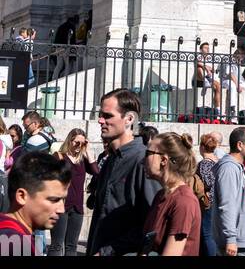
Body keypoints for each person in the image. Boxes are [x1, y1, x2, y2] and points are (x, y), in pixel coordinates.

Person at [86, 89, 157, 256]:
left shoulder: (143, 161)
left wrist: (108, 251)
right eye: (101, 115)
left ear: (129, 119)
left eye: (108, 116)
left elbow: (151, 224)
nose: (100, 120)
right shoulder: (111, 160)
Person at [142, 132, 201, 256]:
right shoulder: (161, 195)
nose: (143, 159)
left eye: (148, 153)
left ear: (164, 160)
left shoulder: (184, 201)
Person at [0, 152, 71, 255]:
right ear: (22, 196)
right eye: (53, 199)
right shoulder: (15, 243)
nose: (61, 209)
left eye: (63, 200)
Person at [47, 128, 98, 256]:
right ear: (69, 141)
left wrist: (88, 151)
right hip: (60, 206)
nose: (78, 146)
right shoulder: (59, 156)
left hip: (77, 208)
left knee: (72, 246)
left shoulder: (82, 159)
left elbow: (97, 172)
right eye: (76, 142)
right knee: (57, 245)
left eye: (82, 143)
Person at [212, 127, 245, 256]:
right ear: (240, 145)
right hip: (235, 243)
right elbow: (228, 205)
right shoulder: (229, 169)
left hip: (241, 241)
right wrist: (231, 239)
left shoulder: (237, 167)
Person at [196, 132, 222, 257]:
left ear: (202, 147)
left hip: (208, 201)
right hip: (218, 200)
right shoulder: (218, 161)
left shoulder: (204, 163)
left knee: (207, 233)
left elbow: (208, 182)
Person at [195, 42, 221, 116]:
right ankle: (205, 82)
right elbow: (198, 63)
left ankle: (217, 108)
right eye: (205, 48)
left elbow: (213, 69)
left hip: (209, 77)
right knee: (199, 68)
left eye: (208, 48)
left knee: (218, 86)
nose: (207, 49)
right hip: (199, 79)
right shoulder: (198, 56)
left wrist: (209, 69)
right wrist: (206, 67)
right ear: (201, 49)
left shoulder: (210, 58)